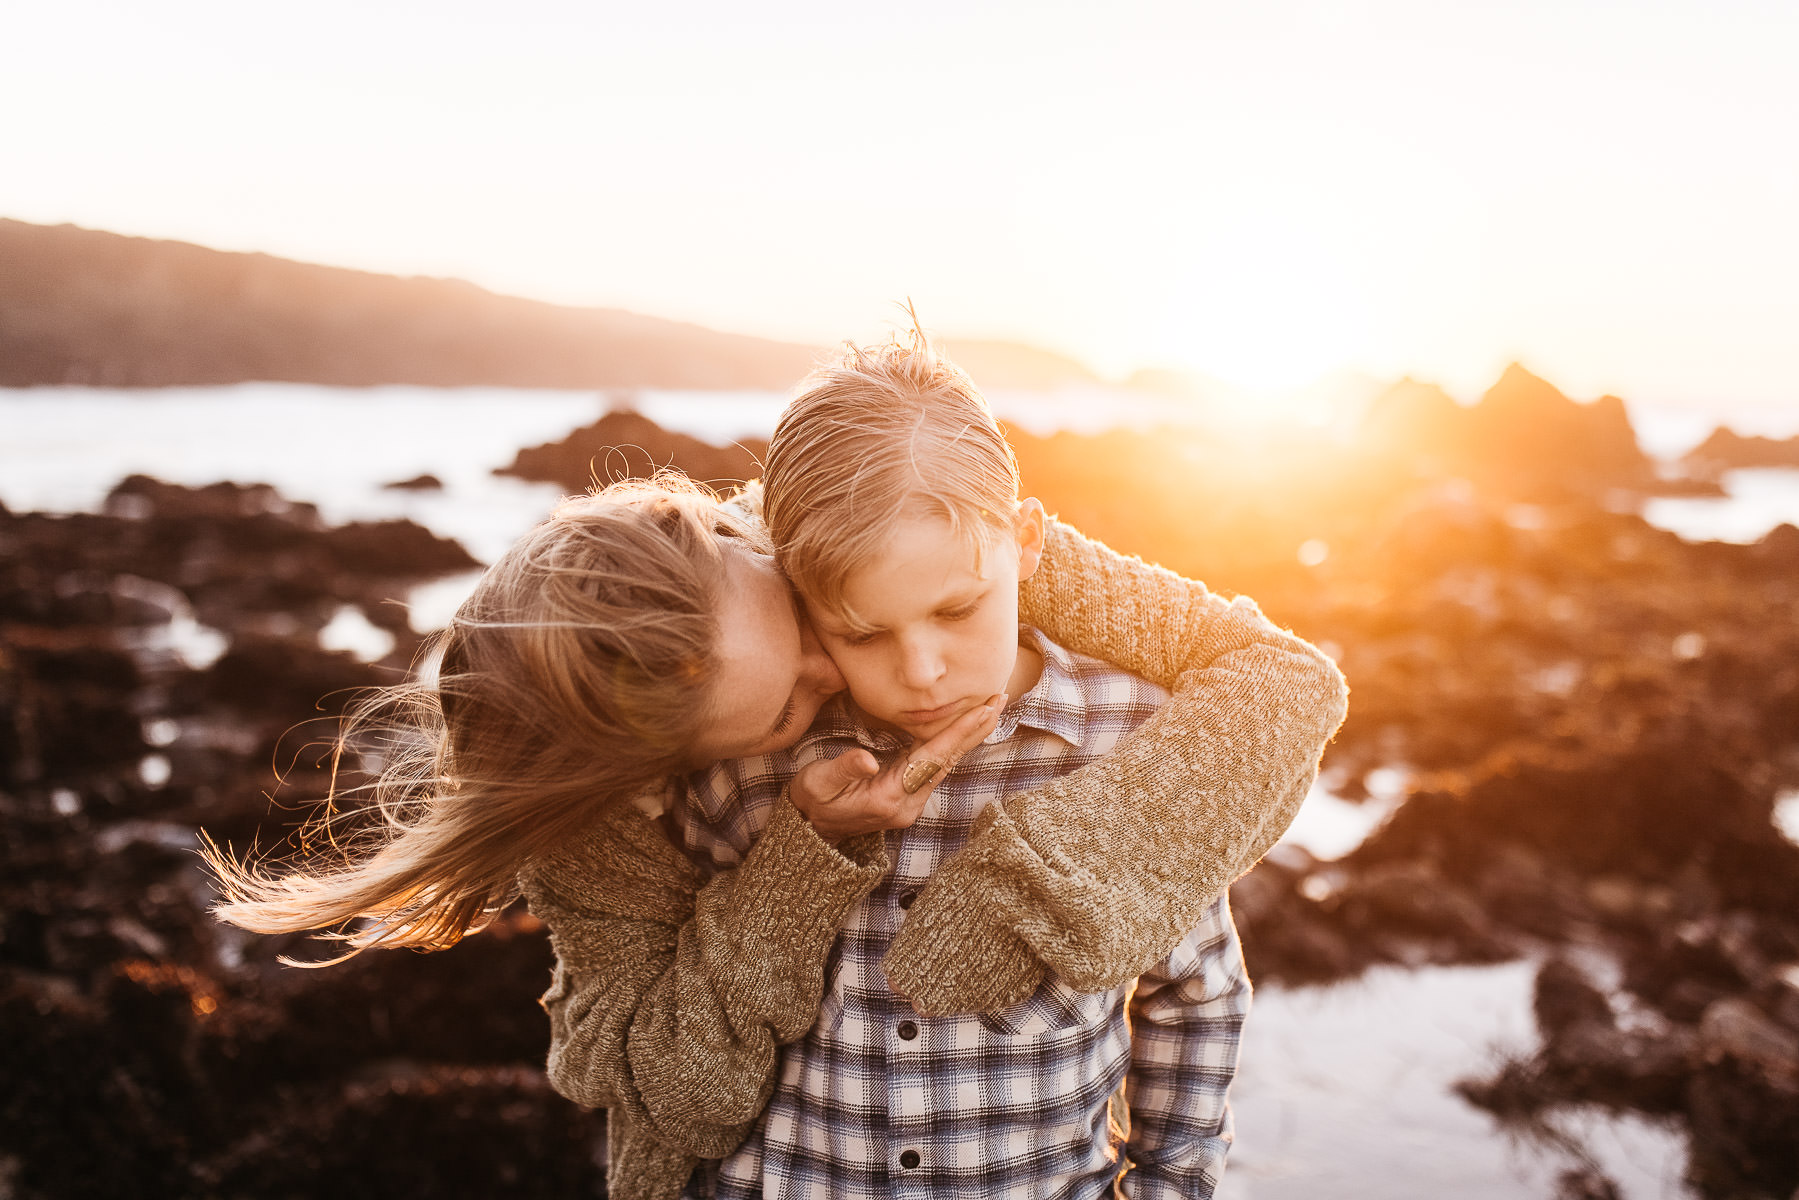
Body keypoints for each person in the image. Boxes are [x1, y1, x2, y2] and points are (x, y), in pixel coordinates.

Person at [208, 391, 1347, 1197]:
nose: (885, 679)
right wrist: (799, 855)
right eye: (815, 674)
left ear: (755, 547)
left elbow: (1267, 690)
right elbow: (674, 1094)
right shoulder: (673, 804)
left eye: (804, 631)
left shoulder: (919, 562)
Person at [525, 336, 1348, 1198]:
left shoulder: (1139, 739)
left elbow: (1194, 990)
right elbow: (666, 1048)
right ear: (798, 600)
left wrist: (1170, 1185)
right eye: (861, 633)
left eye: (957, 610)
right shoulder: (751, 755)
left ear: (1025, 544)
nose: (919, 671)